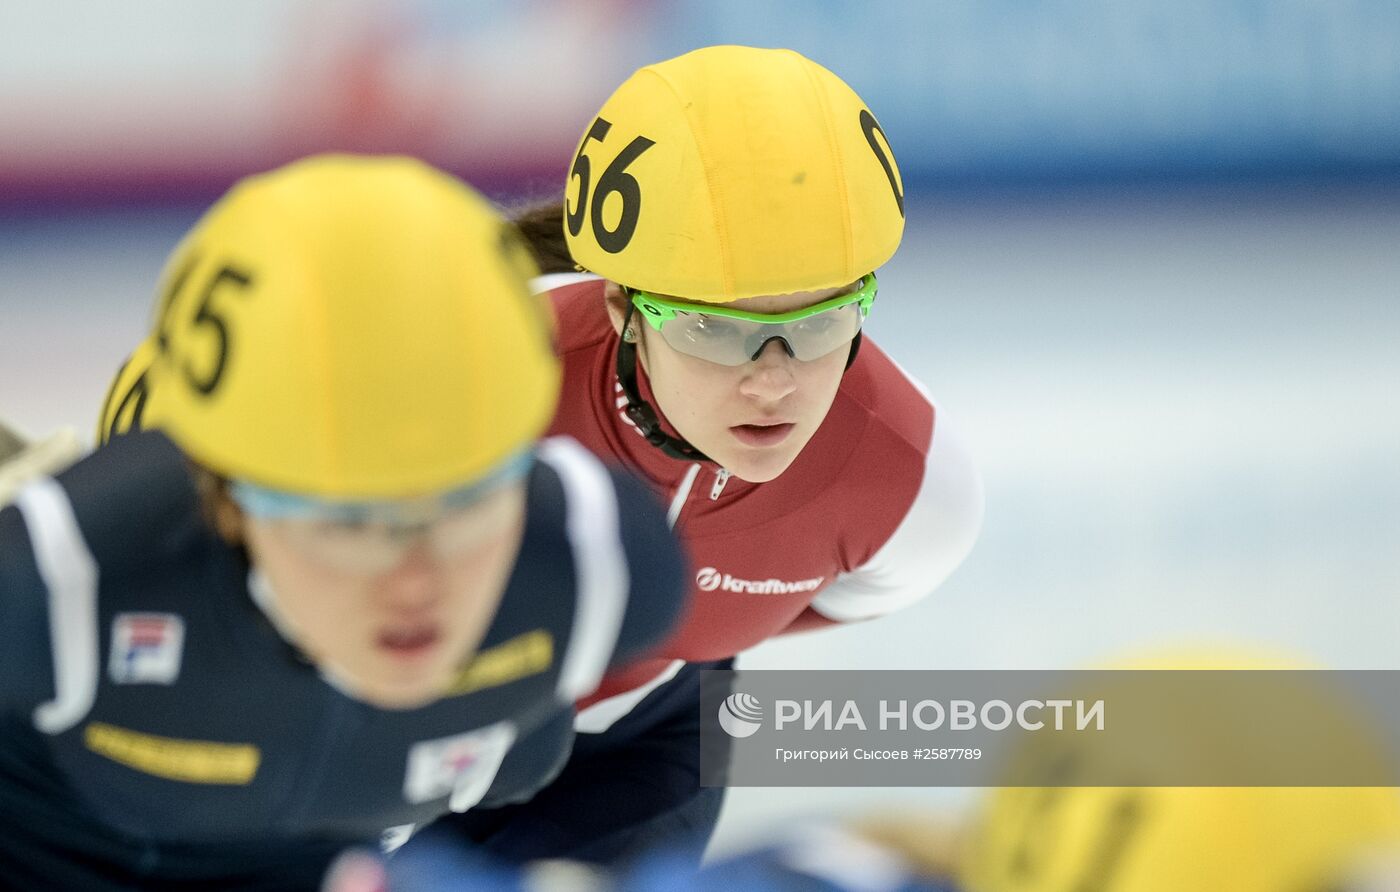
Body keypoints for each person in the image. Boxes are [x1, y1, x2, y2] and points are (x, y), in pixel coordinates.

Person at [99, 46, 985, 867]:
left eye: (823, 322)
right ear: (621, 308)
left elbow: (836, 598)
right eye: (716, 328)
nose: (773, 383)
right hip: (382, 719)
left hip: (634, 754)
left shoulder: (914, 487)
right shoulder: (470, 365)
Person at [0, 154, 686, 890]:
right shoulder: (61, 589)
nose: (421, 579)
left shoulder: (599, 570)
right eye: (352, 522)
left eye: (468, 500)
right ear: (230, 505)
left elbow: (708, 743)